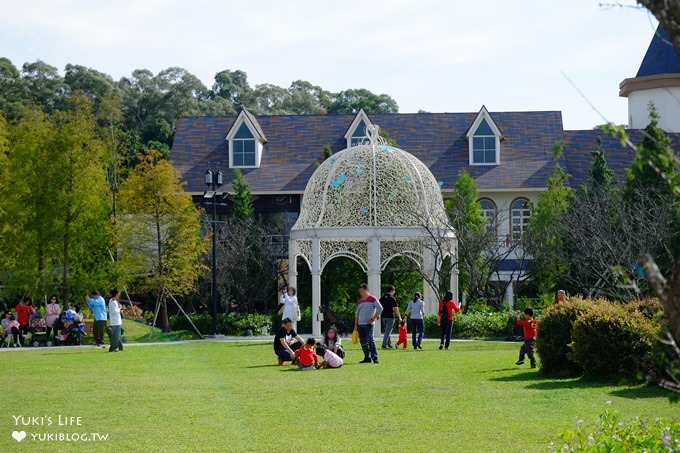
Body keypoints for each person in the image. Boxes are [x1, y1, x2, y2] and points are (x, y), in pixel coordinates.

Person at [354, 283, 383, 364]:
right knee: (363, 341)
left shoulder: (373, 299)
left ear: (366, 290)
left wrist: (373, 318)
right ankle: (367, 357)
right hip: (360, 324)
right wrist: (355, 326)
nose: (361, 293)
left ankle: (375, 358)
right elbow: (357, 314)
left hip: (369, 325)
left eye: (362, 291)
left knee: (370, 340)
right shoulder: (360, 301)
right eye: (360, 292)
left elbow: (380, 308)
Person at [379, 285, 401, 349]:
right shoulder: (392, 298)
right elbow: (396, 309)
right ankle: (384, 344)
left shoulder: (382, 298)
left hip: (383, 316)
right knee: (388, 331)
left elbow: (379, 307)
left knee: (387, 330)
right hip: (390, 316)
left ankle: (389, 344)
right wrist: (399, 317)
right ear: (392, 291)